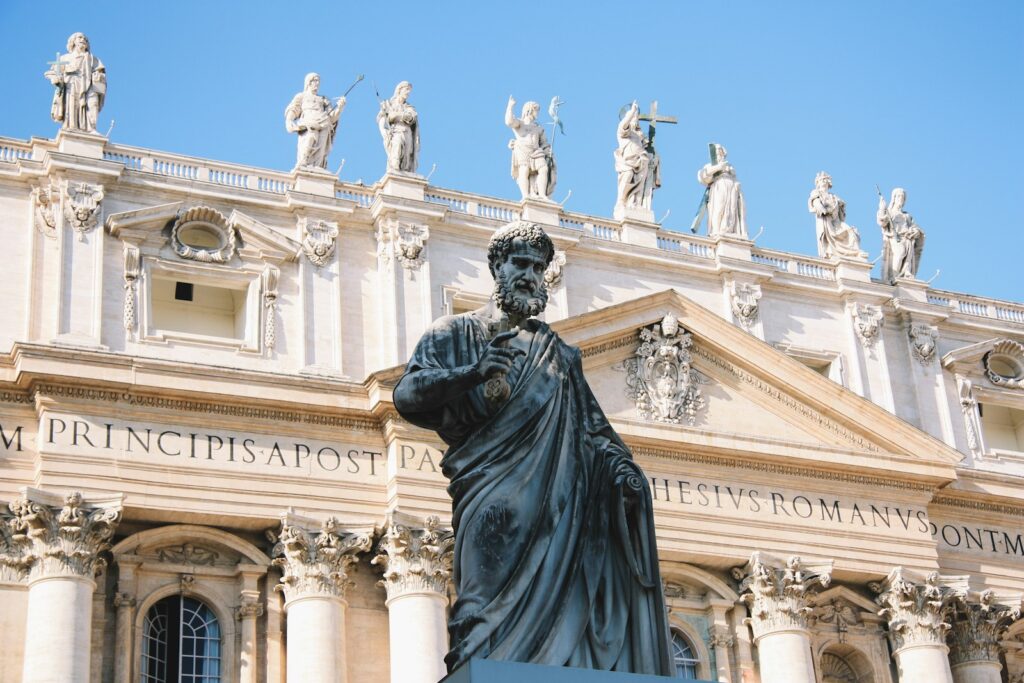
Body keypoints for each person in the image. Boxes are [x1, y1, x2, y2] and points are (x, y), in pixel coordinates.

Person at [393, 221, 672, 676]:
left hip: (559, 512)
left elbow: (595, 433)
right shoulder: (456, 332)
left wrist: (622, 474)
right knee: (478, 615)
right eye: (520, 263)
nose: (529, 275)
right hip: (490, 498)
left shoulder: (559, 354)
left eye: (538, 268)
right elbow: (407, 394)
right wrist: (472, 374)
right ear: (496, 267)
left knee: (564, 615)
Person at [45, 32, 106, 133]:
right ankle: (71, 127)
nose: (83, 40)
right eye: (80, 37)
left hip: (89, 85)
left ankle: (91, 128)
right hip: (71, 83)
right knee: (72, 106)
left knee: (93, 104)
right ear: (73, 41)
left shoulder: (92, 59)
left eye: (85, 39)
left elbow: (100, 73)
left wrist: (98, 76)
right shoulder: (65, 58)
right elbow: (51, 72)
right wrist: (55, 79)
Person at [284, 73, 345, 170]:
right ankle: (304, 163)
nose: (317, 83)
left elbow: (332, 117)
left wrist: (340, 107)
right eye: (315, 80)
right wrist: (289, 120)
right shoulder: (302, 96)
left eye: (318, 81)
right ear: (309, 82)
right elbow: (294, 109)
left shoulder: (324, 99)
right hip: (309, 123)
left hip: (324, 124)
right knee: (310, 140)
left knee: (321, 149)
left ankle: (317, 168)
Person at [505, 97, 556, 200]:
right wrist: (510, 106)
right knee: (524, 171)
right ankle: (526, 195)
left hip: (536, 151)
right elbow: (509, 122)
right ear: (530, 110)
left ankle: (542, 194)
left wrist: (548, 150)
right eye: (536, 111)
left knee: (544, 169)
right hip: (523, 149)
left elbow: (544, 143)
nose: (537, 114)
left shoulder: (538, 128)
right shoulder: (520, 123)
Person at [614, 101, 659, 214]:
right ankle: (621, 201)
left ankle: (637, 204)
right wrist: (632, 112)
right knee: (628, 176)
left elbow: (647, 146)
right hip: (628, 162)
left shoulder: (639, 136)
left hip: (641, 161)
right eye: (633, 118)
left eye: (636, 118)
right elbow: (624, 125)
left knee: (641, 182)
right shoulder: (623, 132)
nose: (635, 120)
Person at [808, 172, 862, 259]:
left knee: (850, 231)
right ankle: (831, 252)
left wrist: (841, 205)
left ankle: (855, 253)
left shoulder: (833, 196)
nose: (824, 182)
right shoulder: (816, 193)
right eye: (821, 180)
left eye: (825, 180)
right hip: (826, 221)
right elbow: (816, 204)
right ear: (818, 183)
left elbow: (841, 212)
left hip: (836, 222)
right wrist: (823, 209)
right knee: (831, 237)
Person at [697, 144, 747, 237]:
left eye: (720, 152)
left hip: (732, 188)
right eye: (717, 153)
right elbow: (702, 176)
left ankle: (729, 230)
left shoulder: (729, 166)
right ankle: (716, 230)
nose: (719, 154)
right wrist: (719, 167)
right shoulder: (710, 165)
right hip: (719, 187)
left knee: (732, 209)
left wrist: (736, 184)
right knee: (719, 207)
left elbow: (734, 177)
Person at [877, 187, 925, 283]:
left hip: (907, 239)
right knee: (900, 253)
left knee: (907, 258)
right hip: (894, 238)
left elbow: (915, 227)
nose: (901, 199)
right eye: (899, 196)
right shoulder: (890, 212)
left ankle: (904, 274)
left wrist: (916, 231)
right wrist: (882, 208)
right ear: (894, 198)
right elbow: (882, 222)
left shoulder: (907, 215)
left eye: (903, 197)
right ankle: (893, 275)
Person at [377, 81, 419, 174]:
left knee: (407, 157)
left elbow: (412, 117)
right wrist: (384, 131)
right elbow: (382, 118)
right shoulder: (389, 104)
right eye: (407, 89)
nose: (408, 92)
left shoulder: (409, 107)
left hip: (408, 133)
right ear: (400, 90)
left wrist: (396, 115)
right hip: (396, 132)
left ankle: (405, 176)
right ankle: (395, 172)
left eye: (409, 90)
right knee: (397, 150)